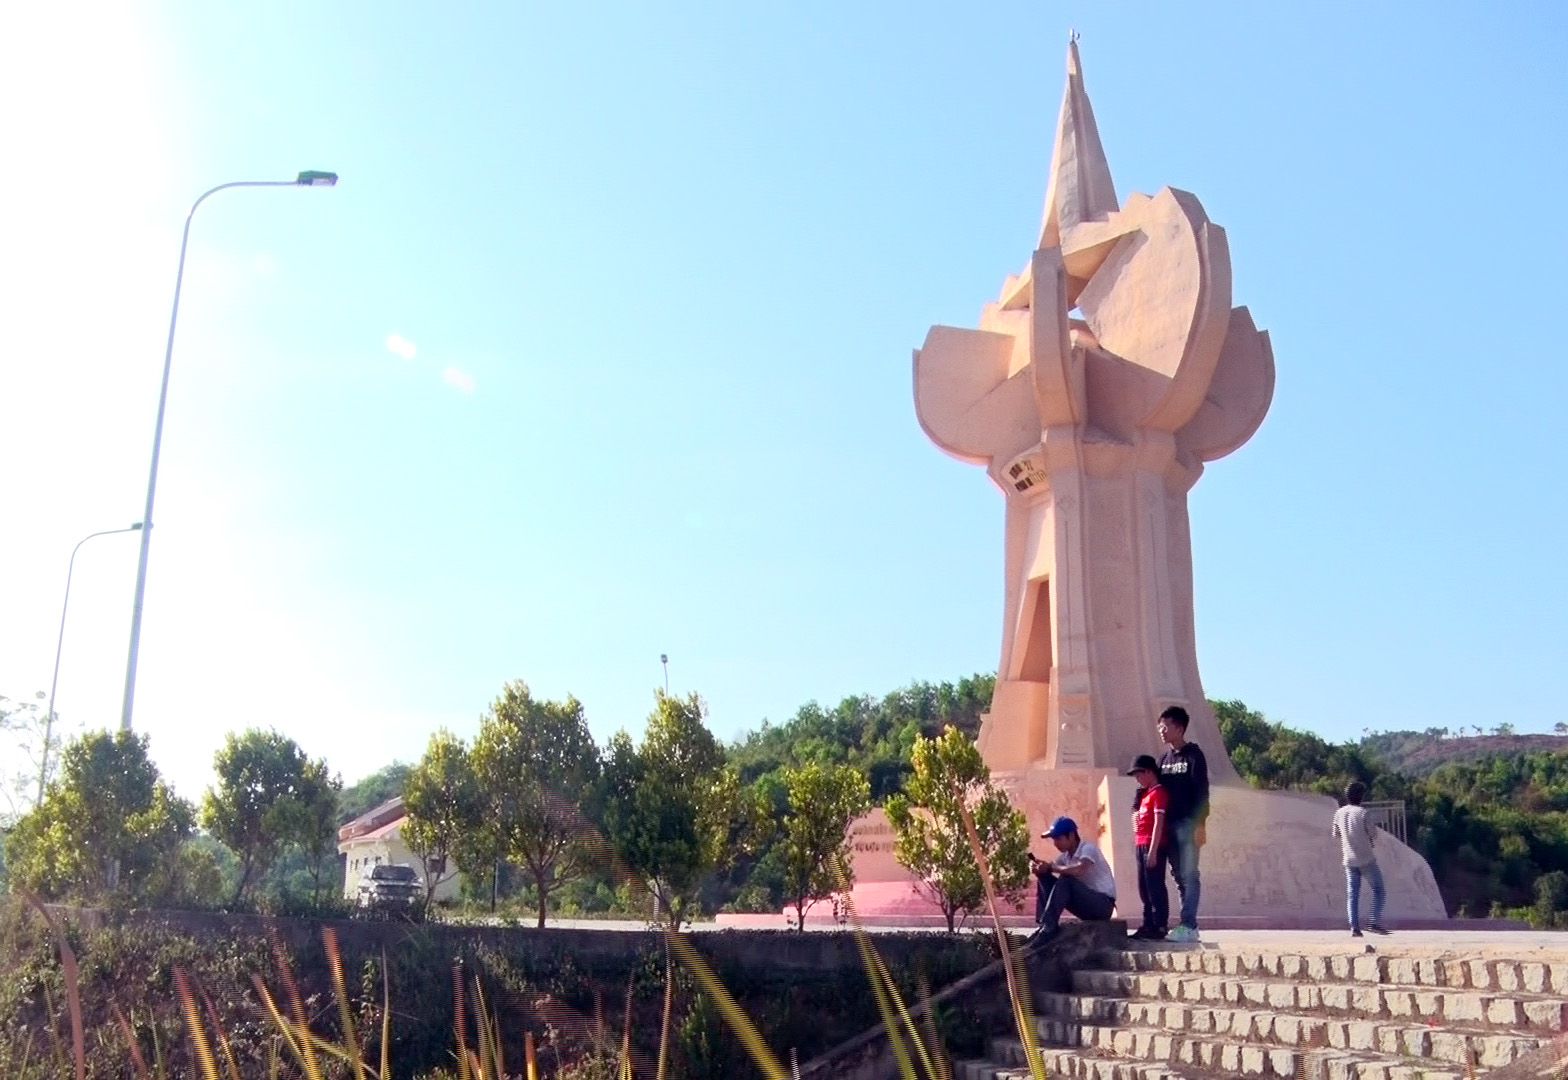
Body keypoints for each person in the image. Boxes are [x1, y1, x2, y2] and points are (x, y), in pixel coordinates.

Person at [1157, 705, 1209, 943]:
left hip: (1188, 824)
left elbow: (1202, 792)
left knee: (1190, 874)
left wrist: (1200, 824)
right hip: (1168, 825)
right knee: (1178, 876)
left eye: (1165, 726)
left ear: (1179, 728)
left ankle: (1188, 924)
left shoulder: (1193, 755)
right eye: (1160, 727)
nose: (1161, 731)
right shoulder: (1163, 759)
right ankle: (1187, 926)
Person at [1027, 816, 1116, 945]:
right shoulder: (1065, 857)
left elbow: (1079, 869)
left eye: (1058, 839)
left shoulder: (1088, 849)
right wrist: (1040, 868)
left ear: (1071, 835)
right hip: (1085, 907)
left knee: (1066, 879)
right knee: (1045, 876)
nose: (1055, 843)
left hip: (1103, 906)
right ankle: (1044, 925)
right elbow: (1051, 868)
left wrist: (1050, 867)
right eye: (1054, 840)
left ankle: (1049, 927)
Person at [1333, 780, 1389, 937]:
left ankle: (1354, 928)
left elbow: (1336, 834)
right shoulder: (1363, 813)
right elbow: (1373, 834)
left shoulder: (1339, 813)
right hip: (1365, 858)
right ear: (1360, 796)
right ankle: (1373, 922)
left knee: (1352, 894)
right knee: (1379, 890)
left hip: (1348, 858)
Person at [1126, 754, 1170, 940]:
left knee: (1154, 886)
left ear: (1149, 772)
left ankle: (1159, 925)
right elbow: (1137, 821)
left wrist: (1153, 851)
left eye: (1139, 775)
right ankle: (1147, 923)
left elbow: (1158, 823)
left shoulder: (1159, 793)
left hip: (1153, 845)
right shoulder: (1145, 794)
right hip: (1141, 843)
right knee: (1144, 888)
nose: (1138, 779)